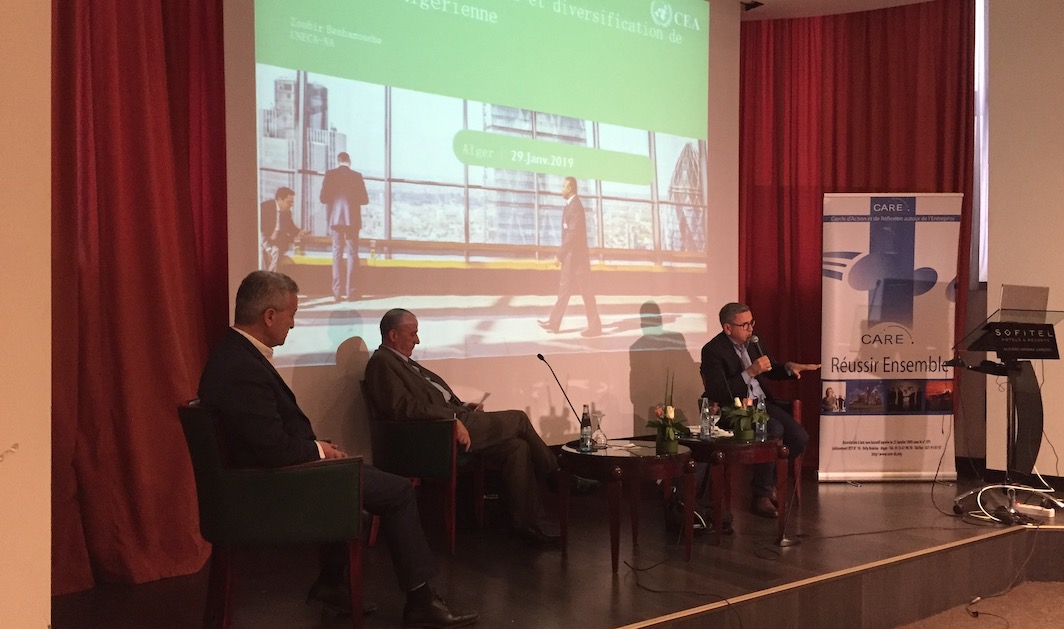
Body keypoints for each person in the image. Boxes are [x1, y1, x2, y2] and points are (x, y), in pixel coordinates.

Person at [197, 271, 477, 628]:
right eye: (291, 315)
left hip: (259, 478)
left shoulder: (234, 354)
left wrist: (318, 448)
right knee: (398, 491)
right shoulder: (241, 367)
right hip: (266, 487)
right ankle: (421, 600)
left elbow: (263, 438)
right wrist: (318, 451)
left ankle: (331, 585)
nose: (293, 324)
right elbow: (271, 449)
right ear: (269, 316)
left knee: (357, 479)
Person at [364, 308, 599, 546]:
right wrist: (453, 418)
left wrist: (464, 406)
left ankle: (525, 525)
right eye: (412, 333)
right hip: (436, 434)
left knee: (516, 447)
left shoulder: (403, 363)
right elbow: (402, 407)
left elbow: (432, 398)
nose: (417, 340)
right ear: (393, 335)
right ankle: (558, 476)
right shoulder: (382, 362)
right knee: (518, 419)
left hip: (453, 421)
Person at [699, 302, 819, 519]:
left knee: (799, 437)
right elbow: (719, 391)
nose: (750, 329)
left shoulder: (755, 341)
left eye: (751, 322)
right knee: (773, 430)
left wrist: (788, 368)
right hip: (735, 410)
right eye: (744, 325)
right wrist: (750, 372)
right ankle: (761, 495)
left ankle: (768, 483)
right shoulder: (713, 351)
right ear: (728, 328)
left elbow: (770, 368)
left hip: (762, 404)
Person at [538, 176, 601, 337]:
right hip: (570, 257)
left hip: (578, 259)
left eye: (563, 187)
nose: (561, 190)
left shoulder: (576, 206)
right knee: (564, 289)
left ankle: (595, 327)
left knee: (586, 291)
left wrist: (559, 255)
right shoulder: (569, 206)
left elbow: (572, 234)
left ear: (570, 188)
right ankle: (554, 323)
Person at [319, 151, 368, 302]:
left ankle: (337, 292)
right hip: (352, 220)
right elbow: (364, 200)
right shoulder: (357, 176)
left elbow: (323, 198)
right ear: (349, 161)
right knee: (352, 254)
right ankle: (352, 292)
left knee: (337, 253)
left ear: (338, 160)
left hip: (336, 219)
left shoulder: (330, 174)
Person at [260, 186, 305, 272]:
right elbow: (260, 231)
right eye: (289, 202)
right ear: (280, 199)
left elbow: (292, 228)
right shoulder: (265, 207)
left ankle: (270, 276)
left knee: (276, 251)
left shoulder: (287, 212)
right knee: (263, 253)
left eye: (292, 202)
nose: (291, 205)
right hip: (262, 242)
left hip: (276, 243)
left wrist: (300, 232)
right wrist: (268, 248)